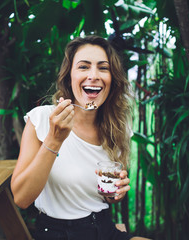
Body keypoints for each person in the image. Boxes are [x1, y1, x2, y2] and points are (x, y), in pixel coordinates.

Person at [11, 35, 147, 240]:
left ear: (112, 79)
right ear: (69, 77)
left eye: (103, 68)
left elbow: (107, 195)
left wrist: (114, 194)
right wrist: (54, 139)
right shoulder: (42, 118)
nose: (94, 75)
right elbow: (21, 198)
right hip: (58, 233)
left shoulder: (118, 127)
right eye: (83, 67)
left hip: (103, 228)